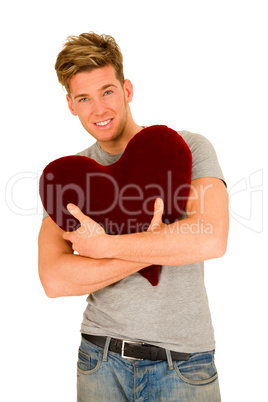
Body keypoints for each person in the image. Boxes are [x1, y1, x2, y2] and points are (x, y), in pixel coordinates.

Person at [38, 32, 229, 401]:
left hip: (184, 364)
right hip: (100, 359)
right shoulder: (70, 177)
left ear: (127, 89)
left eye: (107, 91)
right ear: (70, 105)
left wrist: (104, 247)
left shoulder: (185, 148)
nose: (99, 109)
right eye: (84, 98)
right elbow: (54, 279)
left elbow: (210, 237)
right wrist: (159, 245)